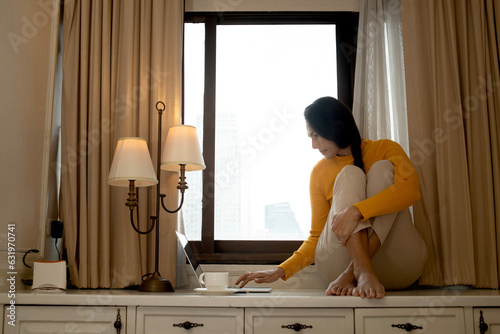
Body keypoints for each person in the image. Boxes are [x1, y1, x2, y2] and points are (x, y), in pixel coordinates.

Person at [235, 96, 427, 299]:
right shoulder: (319, 173)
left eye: (316, 135)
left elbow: (411, 190)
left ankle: (356, 271)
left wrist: (357, 211)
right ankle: (361, 269)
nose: (313, 145)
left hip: (399, 263)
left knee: (382, 169)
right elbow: (317, 237)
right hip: (338, 263)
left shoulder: (385, 149)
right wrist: (281, 270)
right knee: (350, 175)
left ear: (334, 127)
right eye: (310, 137)